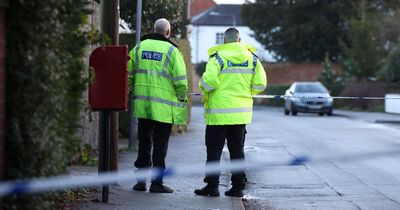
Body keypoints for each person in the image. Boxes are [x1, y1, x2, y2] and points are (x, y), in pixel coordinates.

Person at [194, 28, 267, 197]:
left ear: (225, 41)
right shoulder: (252, 59)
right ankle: (237, 188)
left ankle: (212, 187)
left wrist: (203, 88)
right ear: (239, 39)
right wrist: (247, 92)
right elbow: (260, 84)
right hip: (240, 114)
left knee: (214, 151)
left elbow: (209, 82)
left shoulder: (217, 57)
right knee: (237, 151)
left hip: (218, 114)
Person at [127, 18, 188, 193]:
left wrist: (131, 89)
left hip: (143, 104)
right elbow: (181, 80)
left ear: (153, 29)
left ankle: (140, 181)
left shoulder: (139, 47)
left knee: (144, 142)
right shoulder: (172, 51)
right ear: (168, 32)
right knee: (161, 145)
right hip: (163, 108)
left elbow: (128, 72)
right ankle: (157, 183)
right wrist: (182, 97)